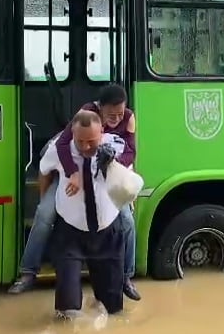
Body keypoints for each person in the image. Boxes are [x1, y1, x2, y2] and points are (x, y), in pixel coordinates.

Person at [8, 84, 141, 300]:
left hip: (105, 176)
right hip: (70, 175)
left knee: (127, 221)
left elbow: (131, 152)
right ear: (100, 108)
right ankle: (28, 272)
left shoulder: (128, 117)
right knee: (44, 214)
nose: (116, 119)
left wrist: (114, 163)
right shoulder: (86, 113)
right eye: (111, 115)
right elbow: (62, 145)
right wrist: (72, 173)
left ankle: (126, 277)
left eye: (120, 114)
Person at [43, 111, 139, 318]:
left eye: (91, 141)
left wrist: (113, 162)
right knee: (67, 309)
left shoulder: (114, 146)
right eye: (80, 141)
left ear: (102, 132)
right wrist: (47, 200)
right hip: (70, 233)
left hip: (107, 232)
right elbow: (44, 172)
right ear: (72, 134)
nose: (86, 147)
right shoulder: (59, 149)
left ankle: (121, 284)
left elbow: (130, 176)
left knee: (113, 308)